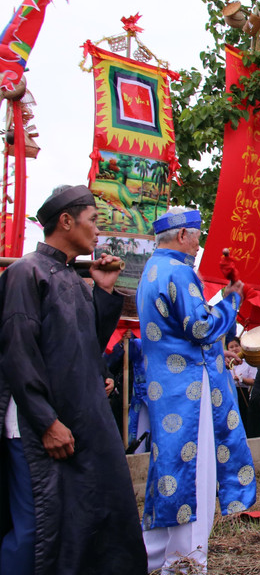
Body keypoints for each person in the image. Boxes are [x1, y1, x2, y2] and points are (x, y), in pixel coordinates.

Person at [0, 185, 147, 575]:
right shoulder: (25, 272)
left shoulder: (73, 279)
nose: (98, 232)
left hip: (73, 423)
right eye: (93, 221)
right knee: (35, 529)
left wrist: (103, 290)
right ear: (66, 221)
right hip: (35, 427)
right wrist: (46, 422)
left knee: (74, 525)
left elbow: (86, 347)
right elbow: (18, 353)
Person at [137, 207, 256, 574]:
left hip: (166, 387)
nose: (200, 240)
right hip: (190, 388)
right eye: (197, 233)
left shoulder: (152, 269)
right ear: (182, 235)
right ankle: (187, 562)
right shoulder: (180, 271)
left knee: (170, 467)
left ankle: (152, 556)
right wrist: (232, 302)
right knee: (196, 471)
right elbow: (201, 328)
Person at [105, 328, 149, 451]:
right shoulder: (118, 332)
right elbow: (107, 363)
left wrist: (136, 337)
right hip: (123, 394)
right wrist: (121, 342)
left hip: (148, 394)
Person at [225, 338, 260, 438]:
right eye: (231, 347)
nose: (234, 349)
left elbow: (254, 381)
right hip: (229, 393)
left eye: (236, 346)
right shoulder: (225, 363)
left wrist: (241, 379)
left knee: (243, 416)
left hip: (242, 393)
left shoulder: (249, 362)